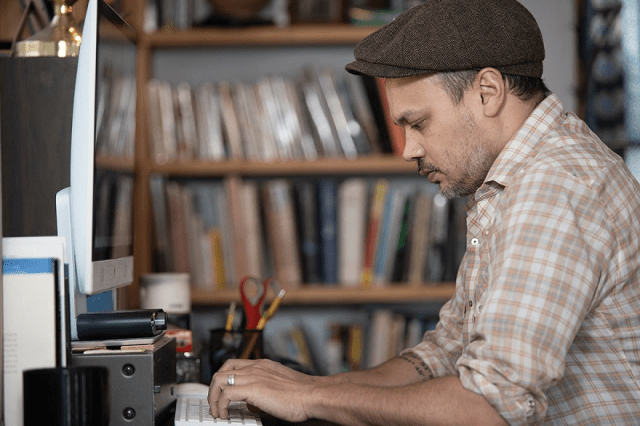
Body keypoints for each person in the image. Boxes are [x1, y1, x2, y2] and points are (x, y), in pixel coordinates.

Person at [208, 0, 640, 424]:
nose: (410, 150)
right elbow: (443, 355)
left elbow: (488, 407)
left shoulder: (555, 189)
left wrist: (309, 396)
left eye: (419, 123)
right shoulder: (512, 182)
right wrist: (312, 390)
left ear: (487, 92)